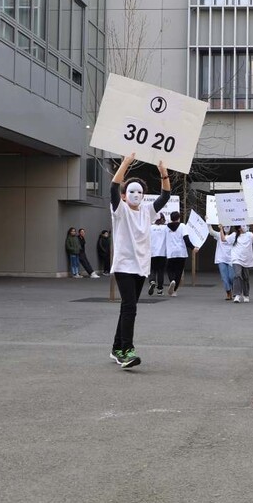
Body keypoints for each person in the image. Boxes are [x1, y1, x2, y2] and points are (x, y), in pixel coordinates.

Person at [107, 153, 172, 368]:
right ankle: (126, 350)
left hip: (141, 267)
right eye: (131, 191)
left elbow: (164, 196)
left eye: (140, 192)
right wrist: (125, 164)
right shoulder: (120, 210)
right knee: (129, 307)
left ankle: (116, 348)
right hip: (124, 265)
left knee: (129, 306)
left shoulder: (147, 211)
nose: (136, 195)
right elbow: (112, 188)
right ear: (125, 195)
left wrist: (163, 174)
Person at [164, 213, 190, 296]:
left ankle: (172, 280)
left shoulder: (166, 227)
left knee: (170, 269)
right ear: (179, 218)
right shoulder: (182, 226)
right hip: (181, 252)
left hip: (171, 252)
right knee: (179, 271)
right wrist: (193, 248)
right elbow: (186, 239)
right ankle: (174, 291)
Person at [230, 225, 253, 303]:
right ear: (239, 228)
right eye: (243, 226)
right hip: (236, 258)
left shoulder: (249, 234)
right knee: (237, 275)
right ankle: (237, 294)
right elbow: (224, 239)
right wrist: (221, 228)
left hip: (246, 259)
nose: (245, 227)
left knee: (246, 277)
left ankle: (246, 295)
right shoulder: (234, 235)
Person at [211, 220, 235, 300]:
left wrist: (221, 229)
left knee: (231, 277)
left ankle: (233, 288)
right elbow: (211, 232)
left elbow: (223, 239)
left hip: (231, 259)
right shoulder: (219, 235)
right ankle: (228, 292)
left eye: (228, 226)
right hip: (221, 259)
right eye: (225, 226)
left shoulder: (233, 235)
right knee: (224, 277)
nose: (226, 228)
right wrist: (209, 222)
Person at [148, 217, 168, 293]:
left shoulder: (150, 227)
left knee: (152, 269)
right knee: (161, 271)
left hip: (152, 252)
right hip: (162, 253)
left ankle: (152, 281)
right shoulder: (165, 228)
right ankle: (160, 289)